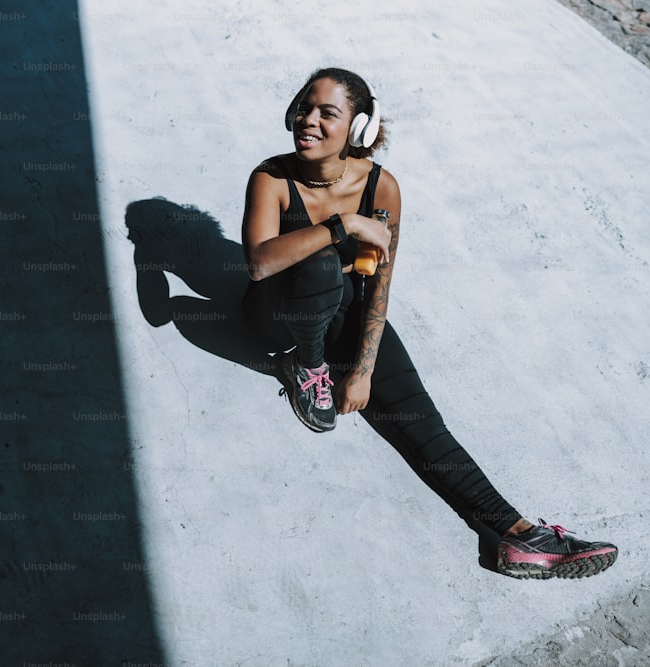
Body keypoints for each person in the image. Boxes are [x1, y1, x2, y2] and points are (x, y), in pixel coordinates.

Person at [240, 67, 617, 579]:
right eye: (304, 107)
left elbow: (379, 287)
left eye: (327, 113)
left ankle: (518, 536)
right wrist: (344, 225)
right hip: (276, 319)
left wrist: (365, 370)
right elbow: (260, 263)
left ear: (358, 130)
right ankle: (307, 372)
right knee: (322, 261)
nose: (308, 120)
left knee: (422, 423)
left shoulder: (381, 187)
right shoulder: (271, 177)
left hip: (341, 313)